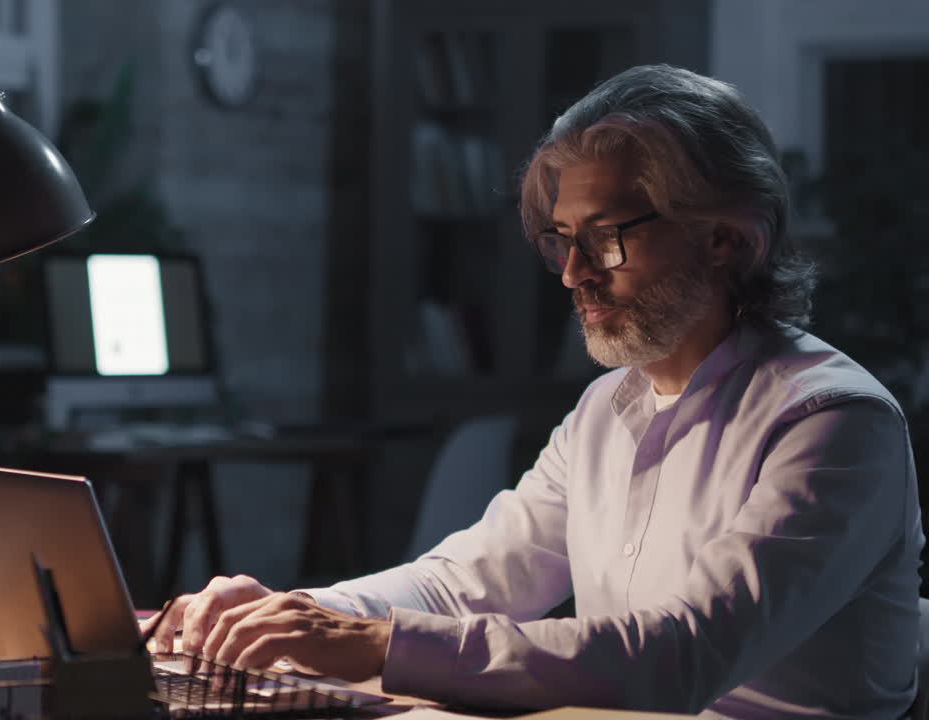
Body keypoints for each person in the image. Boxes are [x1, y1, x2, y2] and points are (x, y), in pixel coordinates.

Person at [146, 64, 924, 718]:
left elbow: (683, 654)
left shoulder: (833, 422)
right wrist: (294, 614)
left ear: (727, 238)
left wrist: (368, 644)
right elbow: (467, 582)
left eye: (607, 236)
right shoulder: (607, 408)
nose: (574, 272)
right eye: (562, 238)